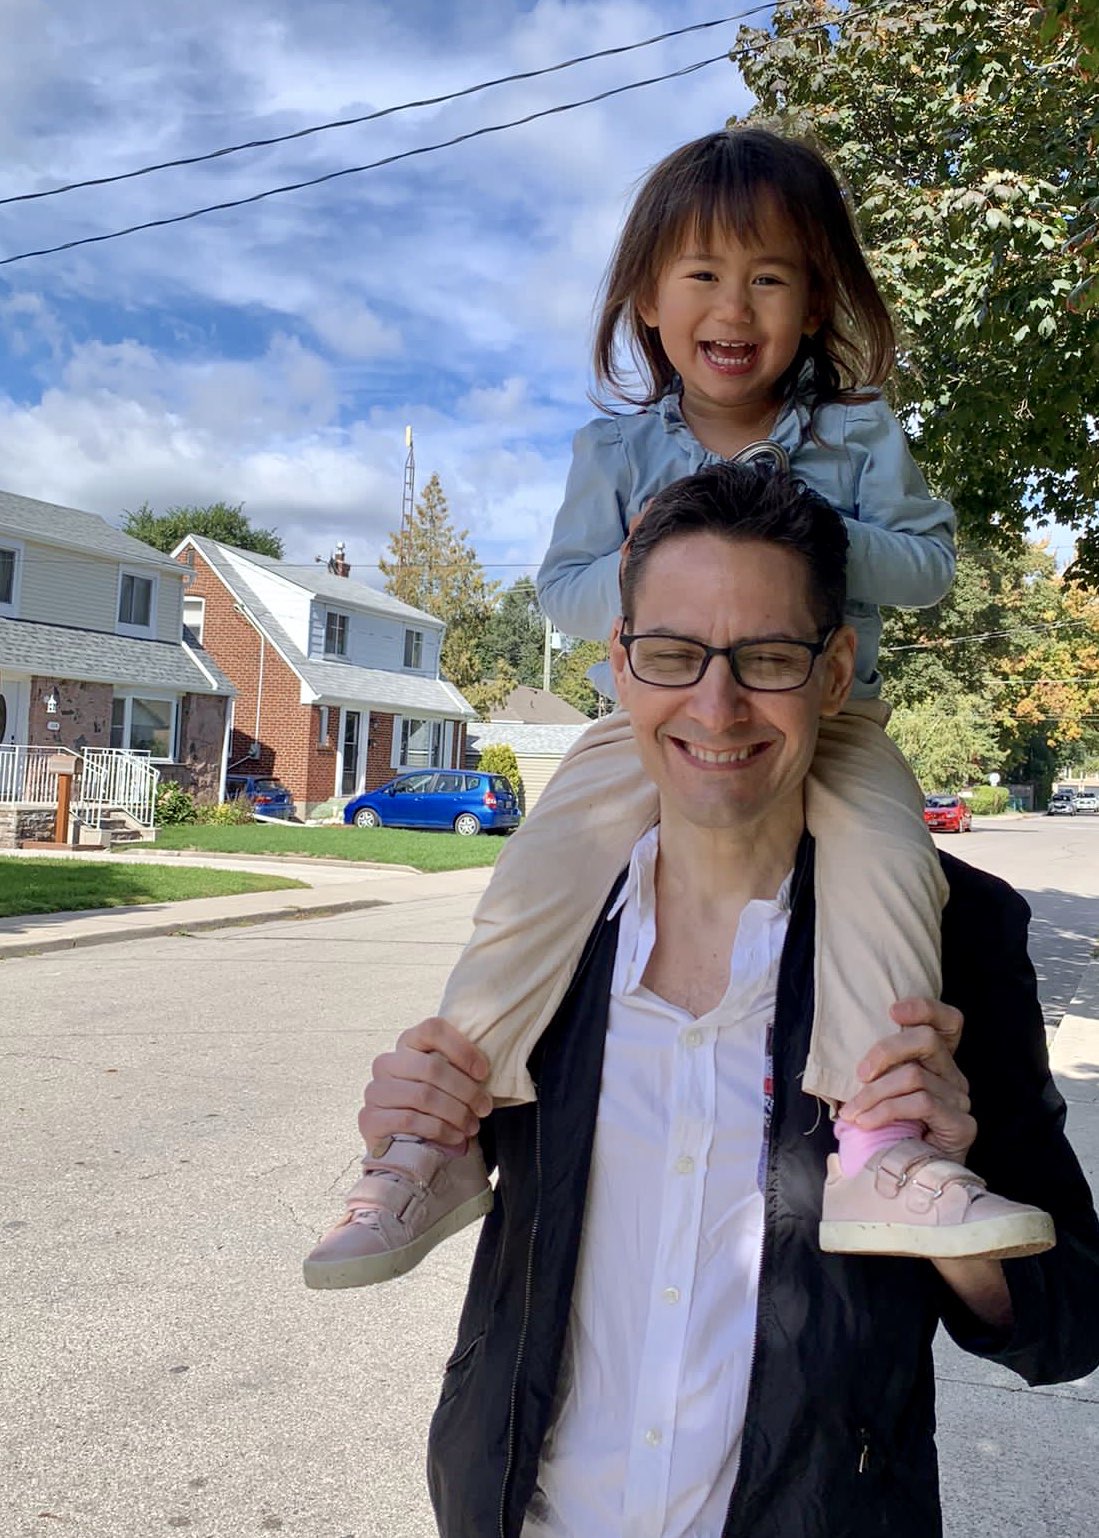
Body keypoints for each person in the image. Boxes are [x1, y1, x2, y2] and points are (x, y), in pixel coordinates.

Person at [303, 126, 1050, 1290]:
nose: (734, 305)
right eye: (702, 273)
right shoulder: (615, 449)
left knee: (888, 858)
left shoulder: (852, 434)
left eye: (770, 277)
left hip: (826, 717)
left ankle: (880, 1143)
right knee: (541, 865)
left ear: (813, 303)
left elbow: (931, 562)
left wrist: (798, 521)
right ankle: (439, 1133)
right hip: (643, 725)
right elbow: (560, 588)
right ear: (648, 301)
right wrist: (663, 551)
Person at [362, 467, 1099, 1537]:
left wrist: (960, 1188)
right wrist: (420, 1115)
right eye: (672, 655)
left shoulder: (949, 935)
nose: (716, 705)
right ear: (620, 666)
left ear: (836, 671)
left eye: (768, 657)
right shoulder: (552, 935)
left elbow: (1066, 1325)